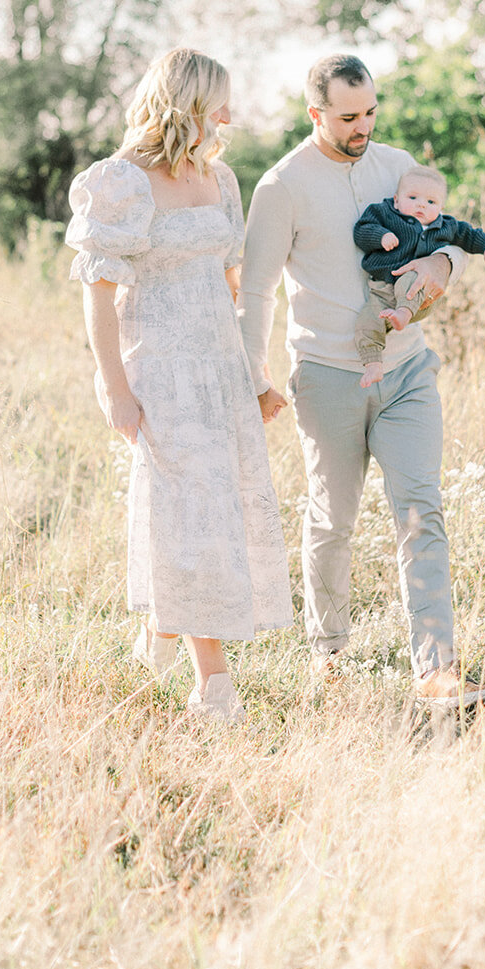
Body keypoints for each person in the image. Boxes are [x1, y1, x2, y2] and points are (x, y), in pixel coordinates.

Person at [237, 53, 485, 707]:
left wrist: (441, 264)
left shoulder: (395, 165)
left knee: (420, 511)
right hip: (325, 376)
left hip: (406, 366)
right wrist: (255, 377)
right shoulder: (281, 185)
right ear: (314, 113)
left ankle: (436, 669)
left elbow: (441, 241)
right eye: (349, 117)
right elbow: (257, 292)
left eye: (371, 111)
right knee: (334, 518)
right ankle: (329, 653)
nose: (364, 127)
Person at [65, 48, 292, 725]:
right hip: (159, 367)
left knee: (218, 512)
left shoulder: (219, 178)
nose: (230, 111)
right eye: (220, 97)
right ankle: (213, 684)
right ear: (189, 101)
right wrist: (112, 385)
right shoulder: (122, 181)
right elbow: (98, 291)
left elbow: (230, 285)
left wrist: (252, 375)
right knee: (191, 516)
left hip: (218, 370)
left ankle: (162, 629)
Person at [354, 163, 485, 388]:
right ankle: (373, 365)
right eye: (413, 198)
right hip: (381, 290)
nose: (421, 204)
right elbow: (362, 230)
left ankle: (402, 313)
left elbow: (469, 235)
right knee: (366, 322)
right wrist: (381, 236)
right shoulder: (383, 214)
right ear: (396, 200)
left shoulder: (446, 226)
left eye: (431, 202)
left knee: (413, 277)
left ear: (441, 207)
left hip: (420, 294)